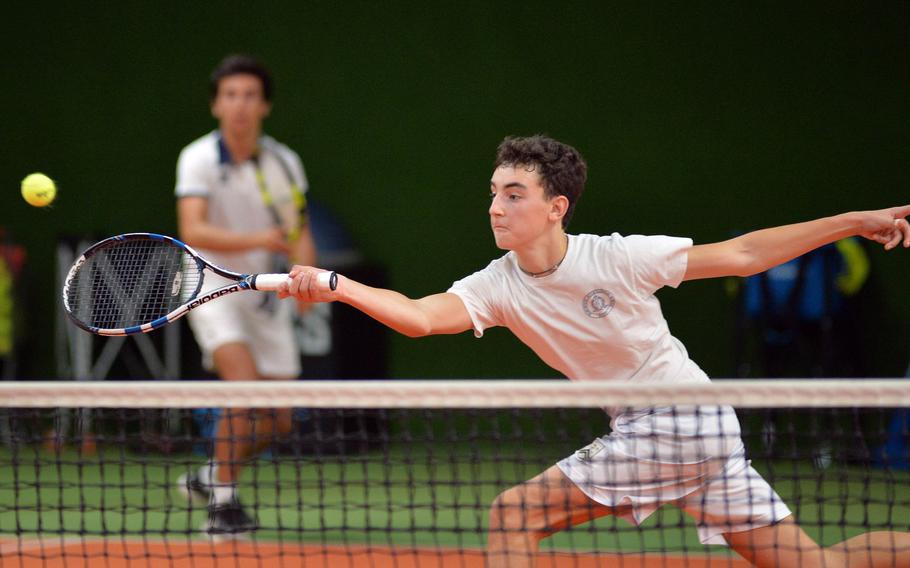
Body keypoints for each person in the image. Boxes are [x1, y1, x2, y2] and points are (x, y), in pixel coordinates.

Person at [280, 135, 910, 567]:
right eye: (495, 192)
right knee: (817, 562)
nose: (496, 206)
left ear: (557, 207)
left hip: (677, 419)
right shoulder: (495, 286)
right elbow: (419, 318)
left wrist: (852, 221)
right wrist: (340, 286)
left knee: (512, 516)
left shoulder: (616, 256)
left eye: (514, 194)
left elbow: (741, 256)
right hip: (690, 428)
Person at [174, 54, 317, 536]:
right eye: (231, 95)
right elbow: (193, 228)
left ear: (265, 106)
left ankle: (212, 475)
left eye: (250, 96)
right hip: (210, 286)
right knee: (243, 386)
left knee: (277, 420)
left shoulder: (284, 162)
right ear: (217, 104)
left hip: (266, 293)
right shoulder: (197, 157)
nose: (240, 105)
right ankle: (224, 504)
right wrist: (260, 240)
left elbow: (299, 230)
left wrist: (309, 280)